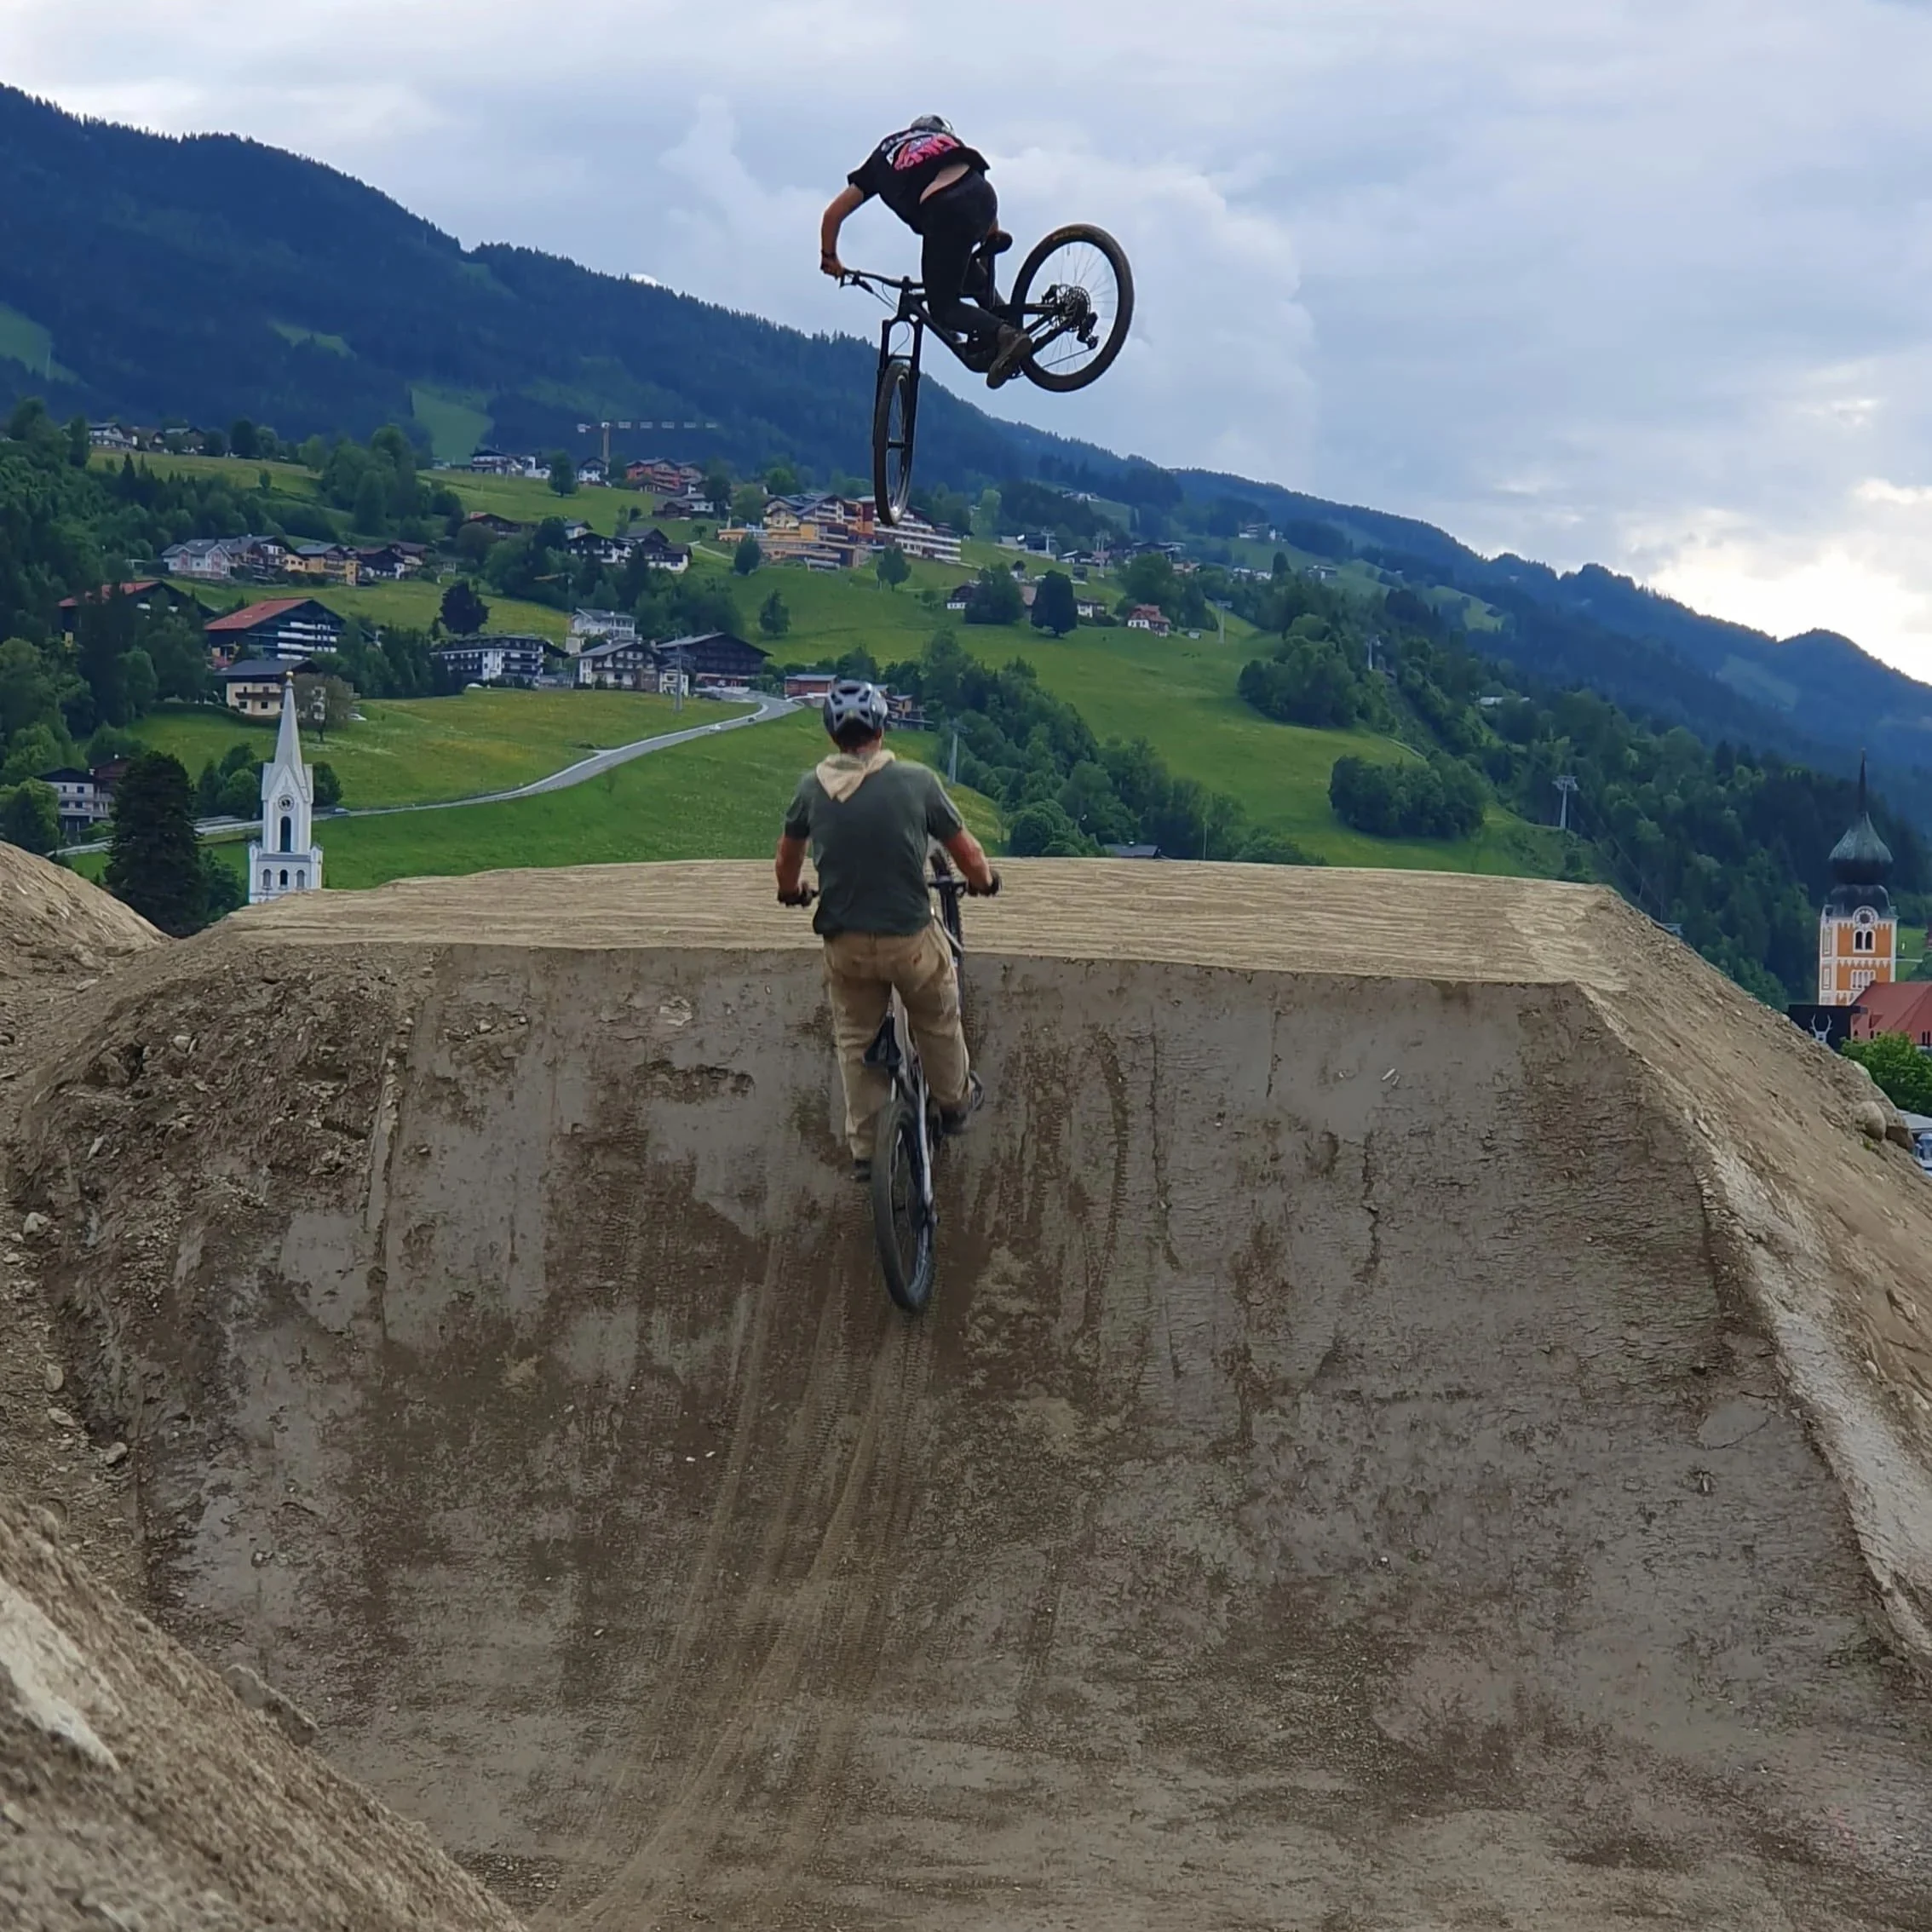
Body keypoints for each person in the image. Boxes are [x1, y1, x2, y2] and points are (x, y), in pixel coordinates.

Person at [776, 677, 1000, 1181]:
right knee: (937, 1016)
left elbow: (787, 857)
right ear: (881, 727)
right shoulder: (917, 781)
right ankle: (954, 1102)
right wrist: (984, 882)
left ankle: (865, 1151)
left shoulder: (811, 789)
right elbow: (967, 853)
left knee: (856, 1039)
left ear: (833, 735)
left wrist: (793, 890)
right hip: (908, 940)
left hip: (845, 944)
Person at [819, 115, 1032, 388]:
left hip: (943, 207)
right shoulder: (948, 143)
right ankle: (1008, 326)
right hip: (984, 197)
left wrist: (830, 258)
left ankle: (1007, 336)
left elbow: (832, 215)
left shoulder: (883, 154)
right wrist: (991, 237)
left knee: (943, 308)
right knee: (966, 271)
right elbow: (975, 192)